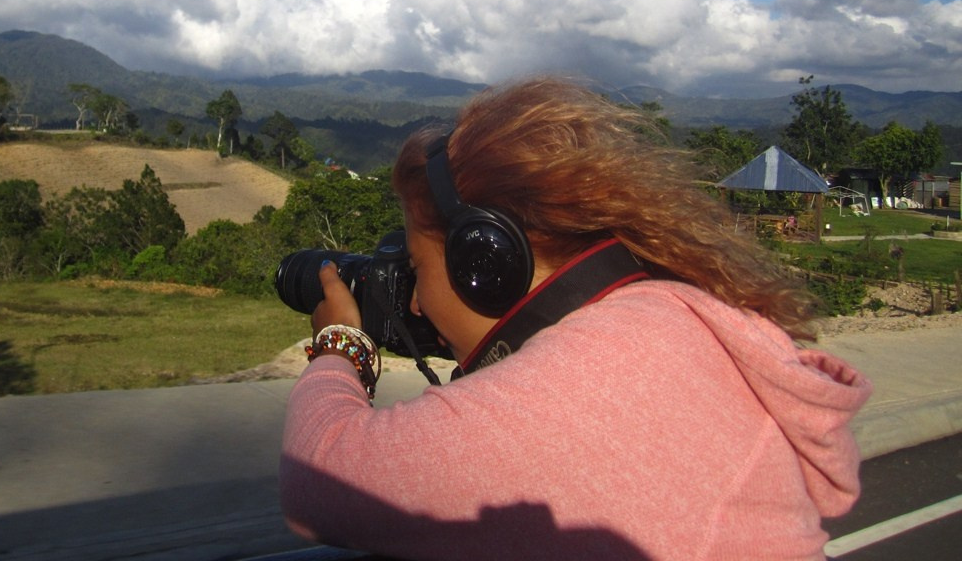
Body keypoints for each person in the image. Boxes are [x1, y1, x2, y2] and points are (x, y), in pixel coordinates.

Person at [280, 76, 870, 561]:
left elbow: (319, 479)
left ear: (483, 261)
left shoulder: (580, 387)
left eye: (417, 267)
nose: (413, 304)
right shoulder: (667, 312)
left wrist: (340, 343)